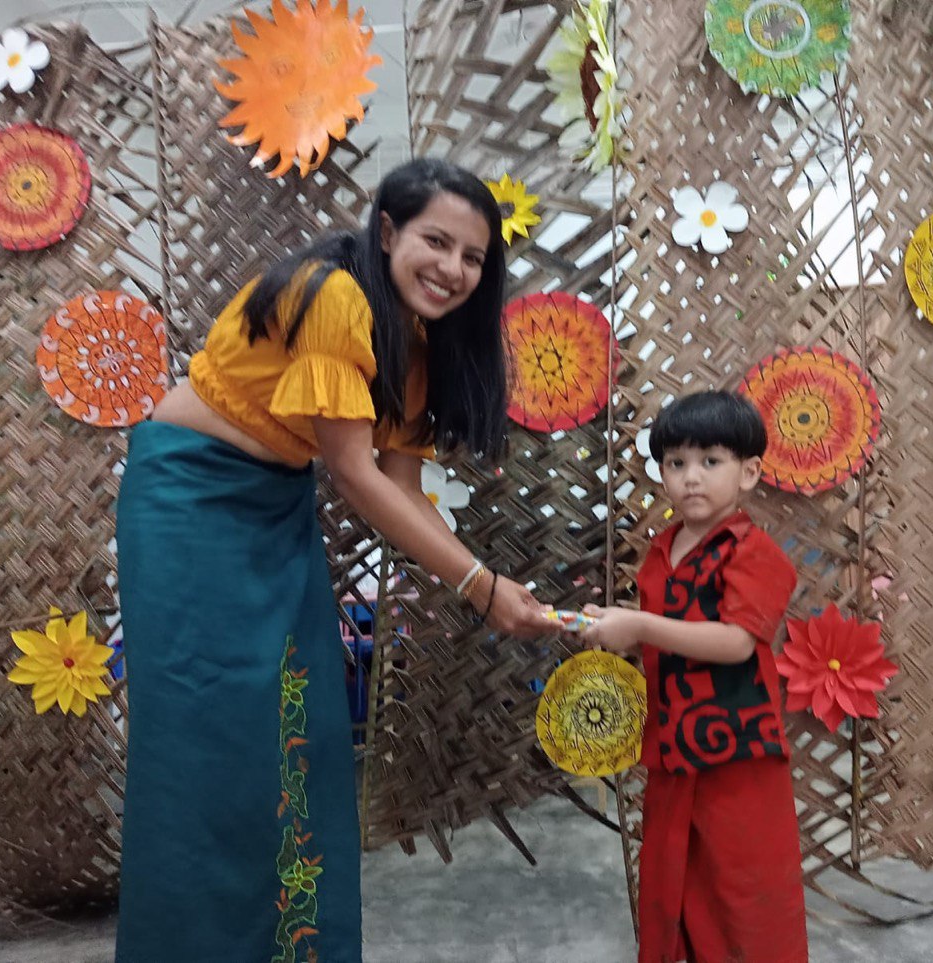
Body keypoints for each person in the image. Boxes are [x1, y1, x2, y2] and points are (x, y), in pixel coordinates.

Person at [114, 158, 551, 963]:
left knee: (301, 727)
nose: (452, 269)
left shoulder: (421, 347)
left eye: (472, 256)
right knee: (204, 742)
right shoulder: (332, 297)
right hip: (187, 503)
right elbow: (353, 472)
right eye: (435, 241)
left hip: (275, 504)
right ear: (387, 231)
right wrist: (481, 588)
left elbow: (402, 487)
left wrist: (488, 583)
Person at [582, 390, 808, 963]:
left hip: (738, 754)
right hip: (673, 748)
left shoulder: (755, 553)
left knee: (743, 891)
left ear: (749, 472)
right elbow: (663, 634)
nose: (691, 477)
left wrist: (639, 626)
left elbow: (736, 642)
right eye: (676, 462)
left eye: (710, 461)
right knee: (672, 882)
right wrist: (609, 626)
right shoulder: (663, 549)